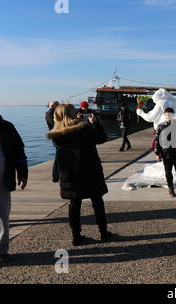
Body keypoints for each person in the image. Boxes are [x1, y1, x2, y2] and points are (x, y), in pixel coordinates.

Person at [47, 104, 112, 246]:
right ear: (73, 113)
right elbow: (101, 138)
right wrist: (95, 123)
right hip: (90, 170)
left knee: (74, 204)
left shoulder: (57, 135)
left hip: (70, 172)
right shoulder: (85, 128)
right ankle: (103, 232)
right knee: (97, 201)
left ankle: (76, 236)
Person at [0, 97, 28, 262]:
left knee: (1, 215)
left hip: (1, 180)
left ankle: (0, 249)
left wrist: (23, 173)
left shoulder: (7, 127)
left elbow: (19, 150)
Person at [46, 101, 60, 182]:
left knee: (59, 154)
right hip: (55, 135)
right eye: (57, 105)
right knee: (58, 155)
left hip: (55, 135)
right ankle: (55, 176)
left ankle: (56, 176)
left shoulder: (51, 113)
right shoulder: (50, 113)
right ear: (53, 105)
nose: (58, 107)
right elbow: (53, 123)